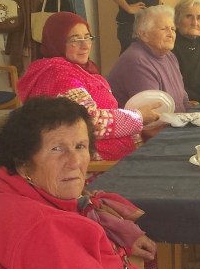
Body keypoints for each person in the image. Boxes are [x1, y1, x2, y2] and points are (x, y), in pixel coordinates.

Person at [0, 97, 200, 269]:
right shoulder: (43, 231)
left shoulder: (5, 192)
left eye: (80, 147)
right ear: (23, 160)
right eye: (57, 149)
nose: (74, 162)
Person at [17, 12, 159, 161]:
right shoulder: (59, 74)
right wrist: (138, 116)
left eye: (87, 37)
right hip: (93, 164)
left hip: (116, 153)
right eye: (75, 39)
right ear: (56, 41)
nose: (85, 46)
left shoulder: (81, 69)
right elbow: (89, 122)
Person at [107, 5, 191, 110]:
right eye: (164, 29)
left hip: (173, 118)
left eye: (173, 29)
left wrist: (192, 115)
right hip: (151, 120)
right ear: (144, 35)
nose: (171, 34)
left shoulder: (169, 56)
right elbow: (153, 112)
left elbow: (183, 99)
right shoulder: (136, 61)